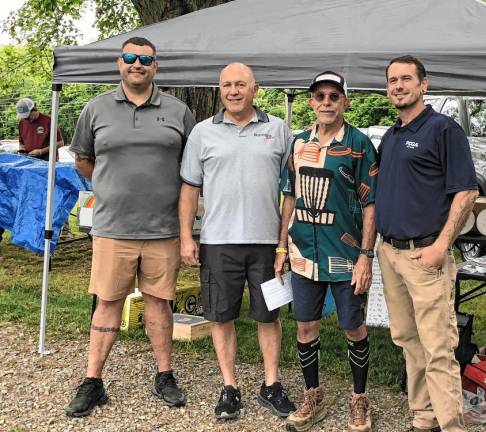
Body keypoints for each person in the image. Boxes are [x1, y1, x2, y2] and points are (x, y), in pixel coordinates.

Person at [65, 36, 195, 417]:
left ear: (156, 66)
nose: (137, 64)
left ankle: (164, 375)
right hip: (112, 228)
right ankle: (92, 381)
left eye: (145, 59)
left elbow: (191, 169)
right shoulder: (95, 109)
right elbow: (84, 162)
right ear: (119, 63)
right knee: (107, 303)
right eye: (130, 57)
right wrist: (112, 188)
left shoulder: (178, 110)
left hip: (163, 229)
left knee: (159, 302)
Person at [179, 62, 295, 420]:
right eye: (227, 84)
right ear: (220, 90)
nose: (233, 91)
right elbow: (189, 187)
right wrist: (186, 236)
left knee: (268, 315)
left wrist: (284, 243)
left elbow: (291, 192)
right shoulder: (202, 133)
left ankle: (271, 385)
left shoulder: (278, 130)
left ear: (255, 89)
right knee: (220, 316)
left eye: (241, 84)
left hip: (266, 243)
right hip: (218, 242)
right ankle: (230, 387)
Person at [375, 56, 478, 432]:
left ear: (424, 84)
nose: (398, 86)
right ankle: (423, 418)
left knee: (438, 347)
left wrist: (440, 246)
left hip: (426, 255)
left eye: (405, 79)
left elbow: (466, 192)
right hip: (391, 253)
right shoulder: (391, 135)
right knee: (407, 339)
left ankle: (451, 424)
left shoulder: (443, 130)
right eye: (392, 81)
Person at [277, 71, 378, 432]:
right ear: (311, 102)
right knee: (305, 327)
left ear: (344, 102)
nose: (326, 103)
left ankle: (359, 399)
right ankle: (312, 395)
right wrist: (280, 247)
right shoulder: (298, 142)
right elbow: (288, 196)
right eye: (319, 96)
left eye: (333, 96)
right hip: (304, 251)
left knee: (353, 327)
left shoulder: (359, 144)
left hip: (346, 255)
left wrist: (366, 255)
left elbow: (371, 204)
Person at [16, 98, 72, 240]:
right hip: (30, 166)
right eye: (24, 117)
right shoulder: (22, 122)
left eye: (28, 116)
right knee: (33, 197)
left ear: (34, 109)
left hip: (48, 164)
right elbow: (22, 142)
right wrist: (22, 151)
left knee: (55, 196)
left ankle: (65, 230)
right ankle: (37, 229)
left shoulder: (48, 120)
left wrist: (41, 151)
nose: (26, 120)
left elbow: (60, 142)